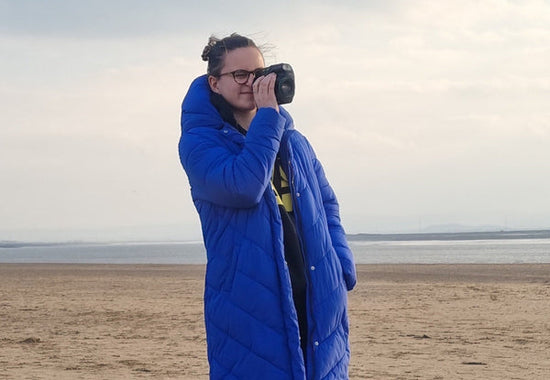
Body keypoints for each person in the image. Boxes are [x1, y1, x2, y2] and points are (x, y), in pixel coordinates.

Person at [178, 33, 356, 380]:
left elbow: (327, 205)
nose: (252, 83)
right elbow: (244, 185)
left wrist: (341, 267)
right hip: (250, 306)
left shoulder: (293, 142)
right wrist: (269, 118)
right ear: (214, 82)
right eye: (239, 75)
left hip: (317, 302)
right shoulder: (200, 144)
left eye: (258, 73)